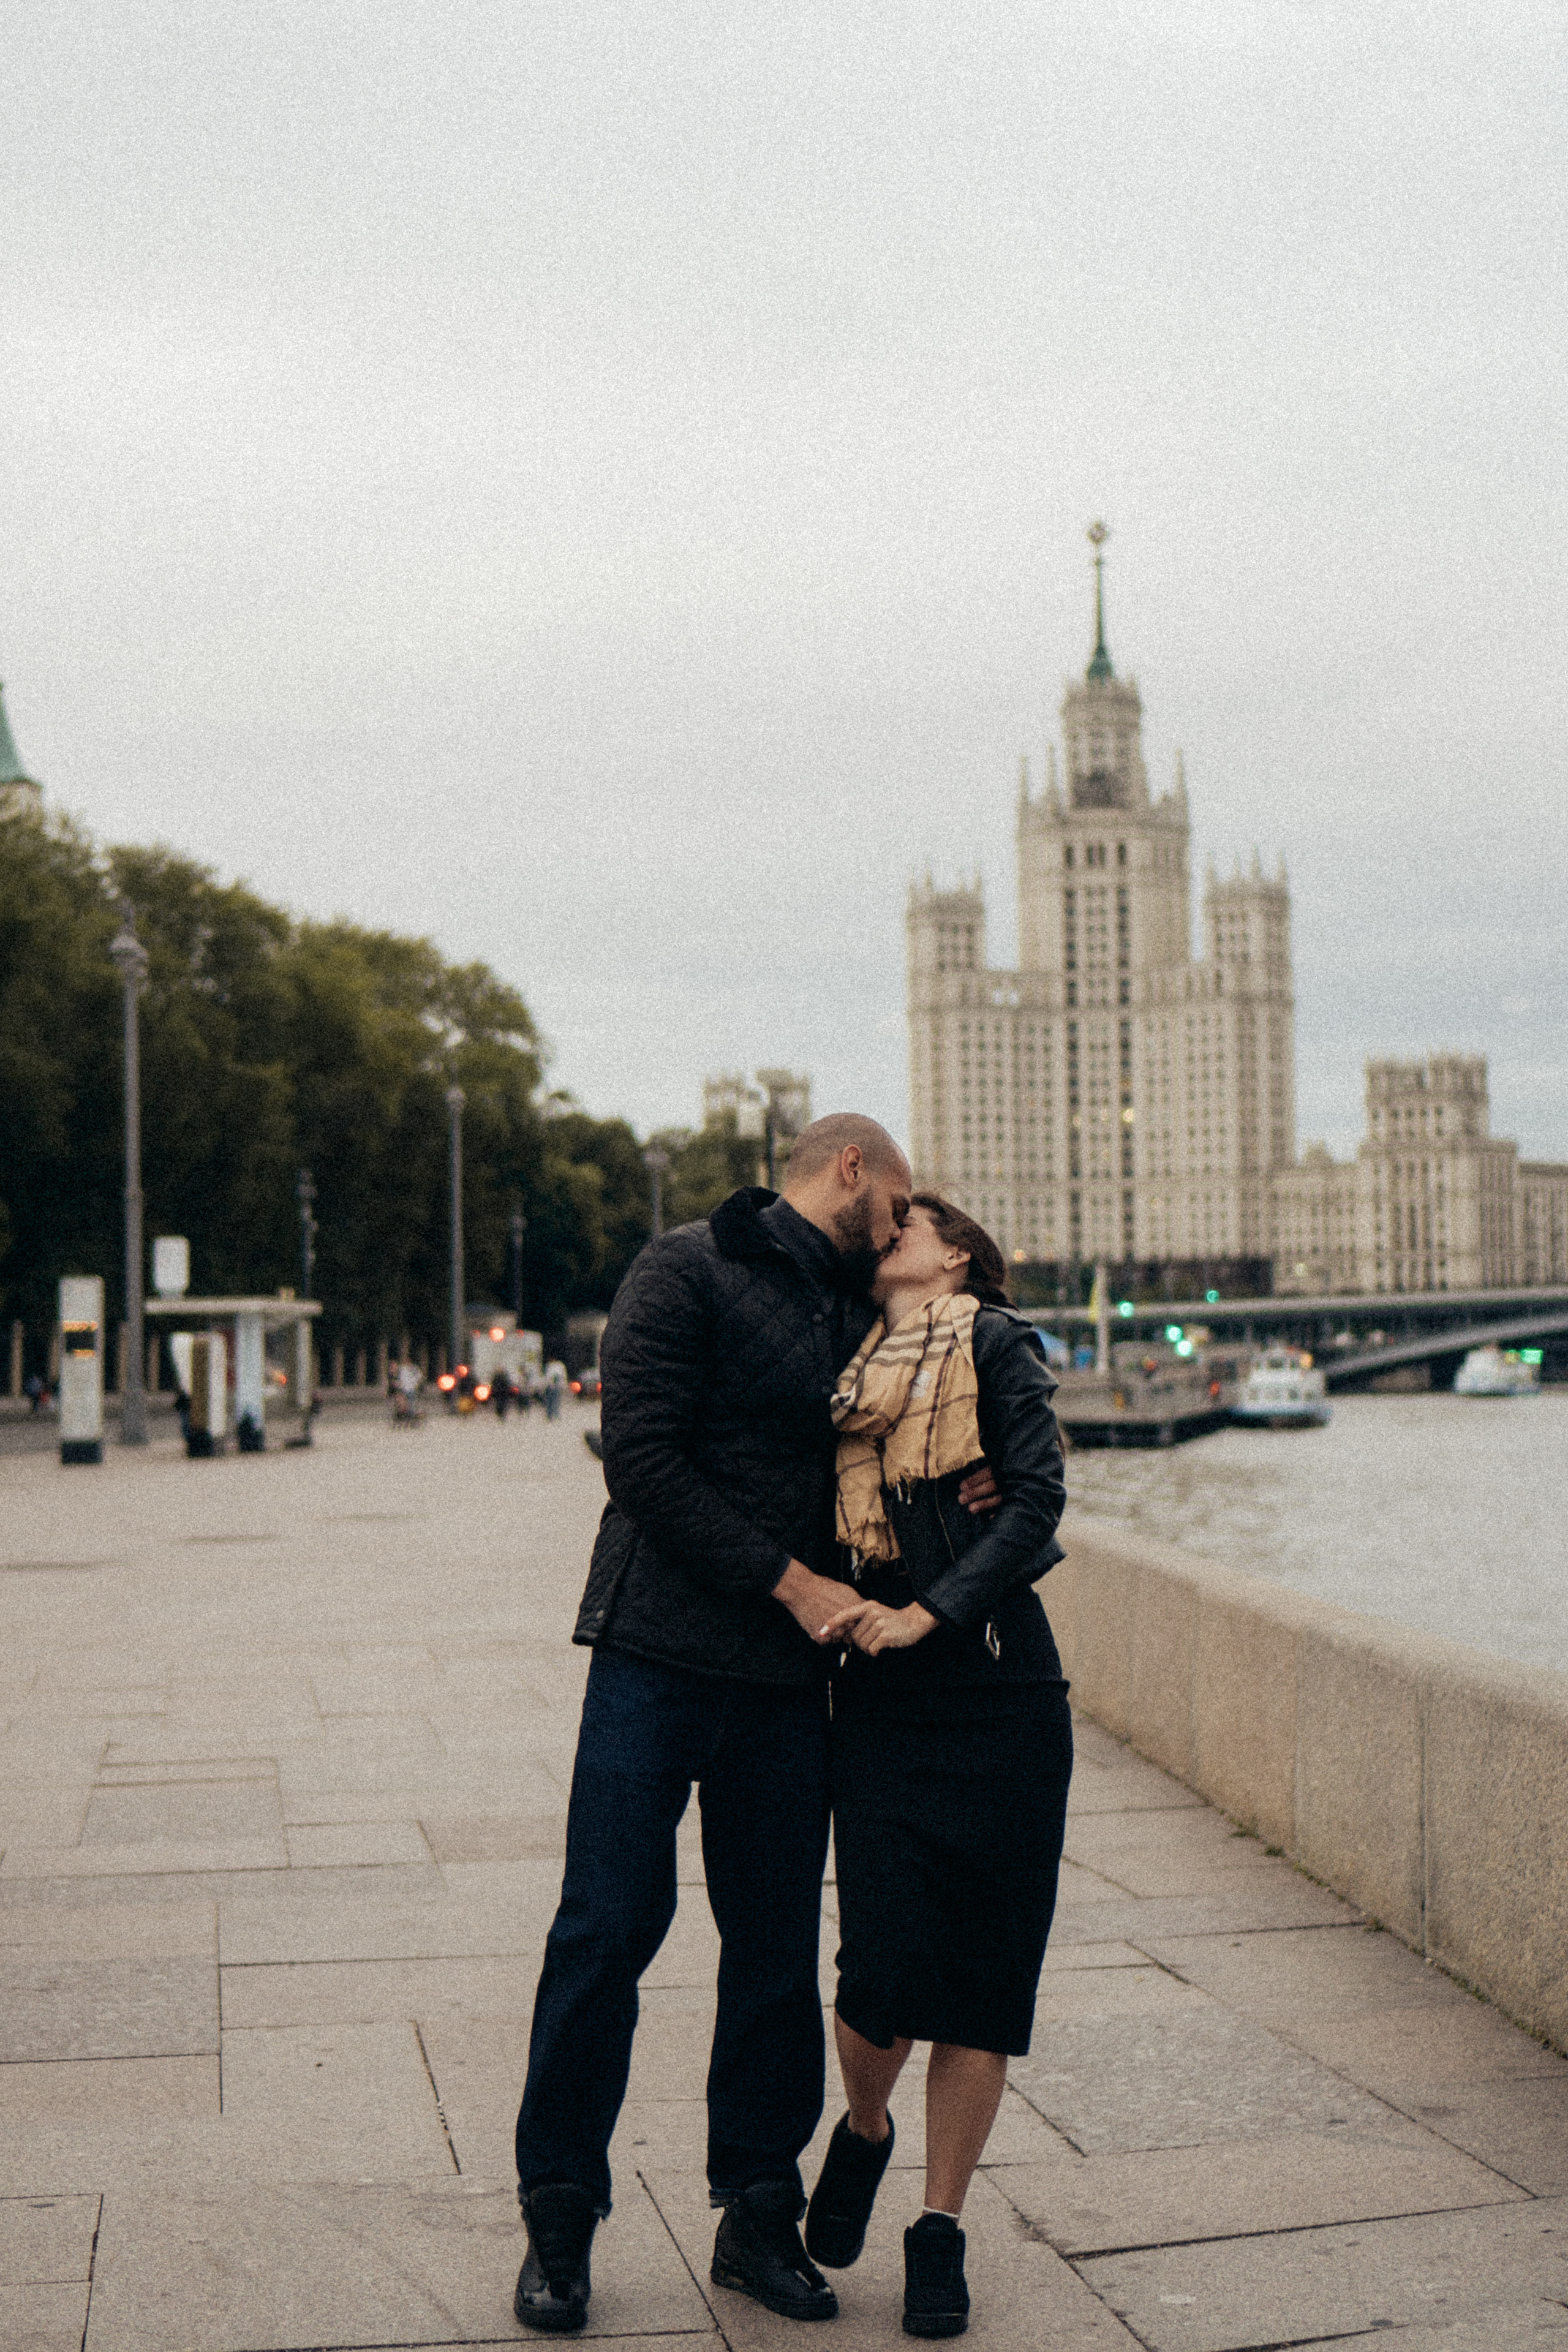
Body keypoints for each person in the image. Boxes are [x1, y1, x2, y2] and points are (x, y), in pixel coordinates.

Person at [510, 1117, 1001, 2334]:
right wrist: (792, 1584)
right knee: (606, 1928)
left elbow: (933, 1420)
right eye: (890, 1205)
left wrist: (982, 1473)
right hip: (652, 1656)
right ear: (846, 1170)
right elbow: (641, 1461)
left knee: (775, 1954)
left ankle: (756, 2217)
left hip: (786, 1691)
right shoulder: (680, 1269)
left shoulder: (860, 1307)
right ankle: (559, 2218)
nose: (896, 1227)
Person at [802, 1195, 1071, 2340]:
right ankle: (865, 2126)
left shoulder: (996, 1343)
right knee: (877, 1978)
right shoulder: (840, 1362)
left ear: (957, 1253)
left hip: (1003, 1694)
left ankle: (939, 2230)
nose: (890, 1233)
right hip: (882, 1709)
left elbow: (1042, 1498)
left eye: (910, 1221)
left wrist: (935, 1611)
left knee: (983, 1981)